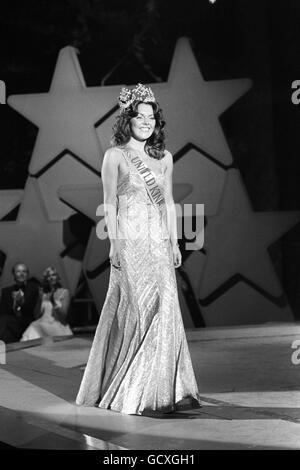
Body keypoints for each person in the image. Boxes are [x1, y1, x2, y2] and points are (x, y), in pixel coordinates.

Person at [76, 83, 201, 415]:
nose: (146, 122)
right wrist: (114, 245)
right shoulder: (114, 156)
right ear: (127, 119)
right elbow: (108, 203)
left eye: (151, 117)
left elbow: (169, 204)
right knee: (139, 312)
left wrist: (175, 243)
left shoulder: (165, 158)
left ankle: (163, 391)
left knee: (168, 310)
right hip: (130, 244)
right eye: (139, 116)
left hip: (159, 245)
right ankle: (135, 391)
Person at [21, 267, 72, 341]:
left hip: (56, 325)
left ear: (58, 277)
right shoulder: (44, 294)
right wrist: (39, 300)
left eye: (53, 275)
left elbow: (63, 315)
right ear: (46, 279)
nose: (51, 278)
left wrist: (53, 301)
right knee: (32, 332)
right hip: (41, 324)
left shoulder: (64, 292)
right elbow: (36, 315)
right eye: (49, 276)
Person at [0, 263, 40, 343]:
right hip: (10, 325)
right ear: (14, 274)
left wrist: (20, 303)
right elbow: (3, 311)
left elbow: (32, 311)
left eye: (24, 271)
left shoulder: (34, 289)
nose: (21, 274)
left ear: (27, 274)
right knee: (6, 335)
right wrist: (14, 304)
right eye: (18, 271)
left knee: (5, 320)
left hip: (26, 323)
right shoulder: (6, 291)